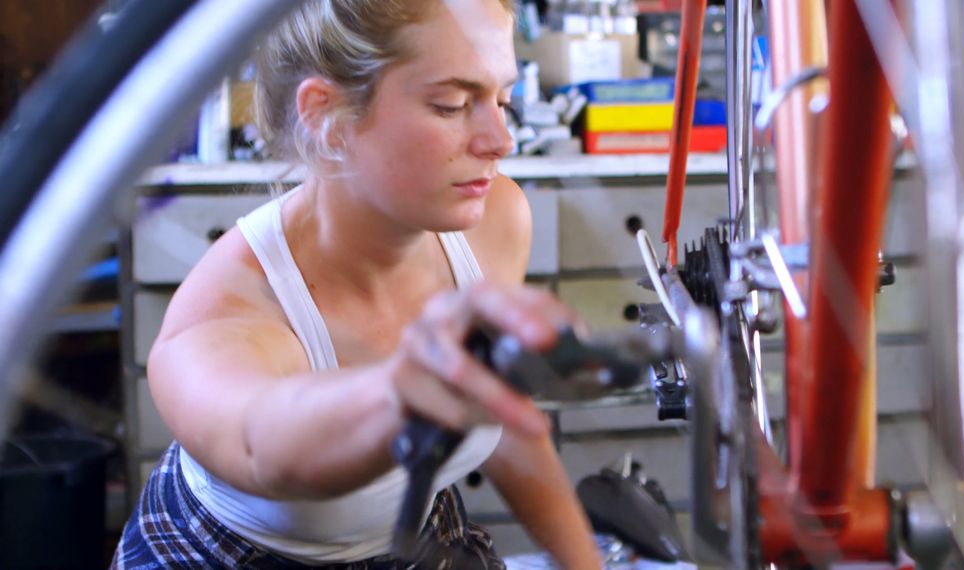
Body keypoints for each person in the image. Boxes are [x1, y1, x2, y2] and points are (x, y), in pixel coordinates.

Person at [111, 0, 602, 568]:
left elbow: (505, 416)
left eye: (503, 100)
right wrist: (405, 392)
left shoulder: (496, 219)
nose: (500, 139)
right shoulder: (227, 308)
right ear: (326, 114)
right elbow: (262, 445)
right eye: (452, 105)